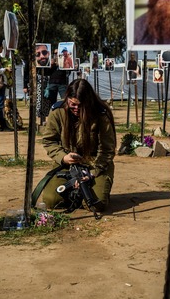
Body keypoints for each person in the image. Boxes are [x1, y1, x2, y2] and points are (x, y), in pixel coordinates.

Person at [38, 79, 116, 211]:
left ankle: (86, 193)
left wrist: (93, 172)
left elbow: (107, 149)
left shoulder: (101, 114)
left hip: (95, 165)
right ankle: (76, 194)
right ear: (67, 98)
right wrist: (63, 157)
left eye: (81, 106)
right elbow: (49, 141)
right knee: (51, 201)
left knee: (95, 205)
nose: (76, 109)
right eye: (73, 104)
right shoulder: (58, 111)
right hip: (67, 164)